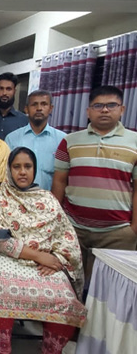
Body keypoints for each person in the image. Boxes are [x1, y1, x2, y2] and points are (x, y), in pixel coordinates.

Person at [0, 147, 86, 354]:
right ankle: (2, 349)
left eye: (28, 167)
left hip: (46, 261)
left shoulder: (47, 199)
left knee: (66, 299)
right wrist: (39, 256)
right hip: (6, 257)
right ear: (9, 169)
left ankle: (50, 349)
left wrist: (56, 259)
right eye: (17, 167)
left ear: (34, 169)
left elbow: (66, 237)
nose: (22, 172)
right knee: (3, 290)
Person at [52, 85, 137, 283]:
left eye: (111, 105)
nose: (105, 110)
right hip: (74, 229)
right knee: (70, 283)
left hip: (118, 233)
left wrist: (134, 229)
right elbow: (59, 181)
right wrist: (57, 221)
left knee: (112, 290)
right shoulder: (69, 141)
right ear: (88, 111)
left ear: (122, 109)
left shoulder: (134, 142)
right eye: (98, 105)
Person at [4, 90, 66, 191]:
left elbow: (63, 178)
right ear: (26, 109)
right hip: (17, 198)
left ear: (51, 108)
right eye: (34, 104)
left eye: (44, 104)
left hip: (49, 199)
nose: (39, 108)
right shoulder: (12, 139)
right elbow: (6, 175)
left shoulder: (62, 140)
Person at [0, 72, 28, 140]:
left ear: (14, 91)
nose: (4, 93)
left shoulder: (24, 121)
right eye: (1, 88)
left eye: (8, 89)